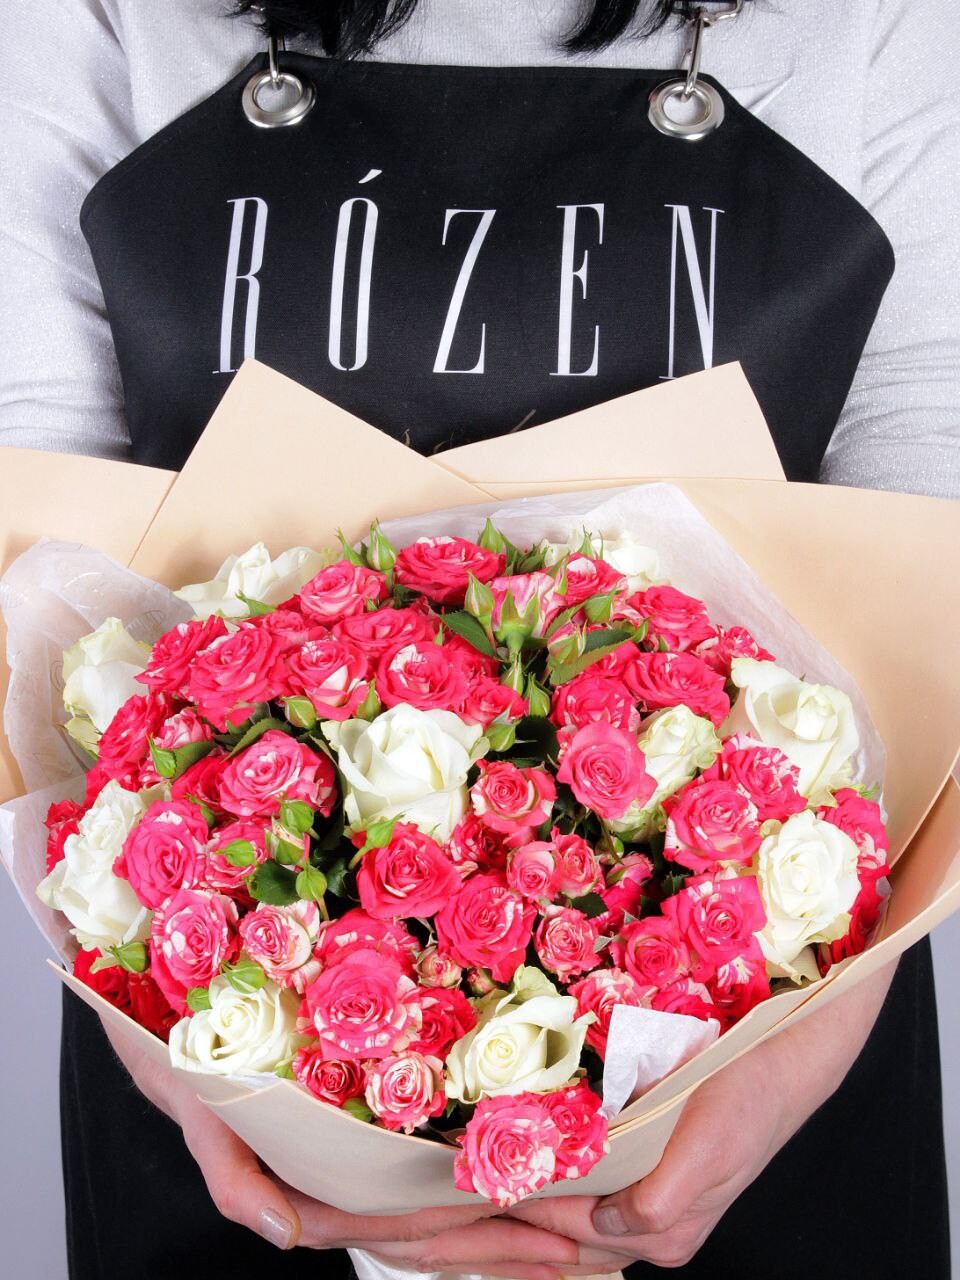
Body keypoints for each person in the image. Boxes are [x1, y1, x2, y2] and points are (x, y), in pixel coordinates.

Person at [1, 2, 957, 1277]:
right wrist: (189, 1067)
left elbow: (928, 476)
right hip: (210, 1040)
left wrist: (803, 1046)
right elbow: (40, 506)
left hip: (775, 1035)